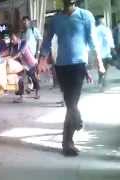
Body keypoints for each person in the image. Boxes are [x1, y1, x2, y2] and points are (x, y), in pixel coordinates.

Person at [39, 0, 105, 156]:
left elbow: (92, 41)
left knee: (71, 103)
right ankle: (77, 118)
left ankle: (67, 142)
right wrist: (42, 59)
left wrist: (99, 62)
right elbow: (47, 40)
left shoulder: (85, 16)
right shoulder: (55, 19)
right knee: (70, 102)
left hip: (78, 65)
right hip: (61, 66)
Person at [10, 32, 40, 102]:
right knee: (20, 79)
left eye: (13, 39)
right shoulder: (14, 46)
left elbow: (19, 53)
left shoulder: (24, 43)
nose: (12, 41)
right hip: (22, 65)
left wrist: (11, 58)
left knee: (33, 78)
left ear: (18, 38)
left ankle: (37, 93)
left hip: (31, 64)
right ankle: (21, 96)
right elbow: (11, 54)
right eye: (11, 39)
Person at [95, 15, 115, 91]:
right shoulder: (106, 29)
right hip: (106, 53)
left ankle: (101, 81)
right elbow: (110, 40)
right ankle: (103, 83)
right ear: (101, 21)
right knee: (105, 68)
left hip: (98, 53)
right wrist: (113, 49)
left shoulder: (95, 30)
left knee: (100, 68)